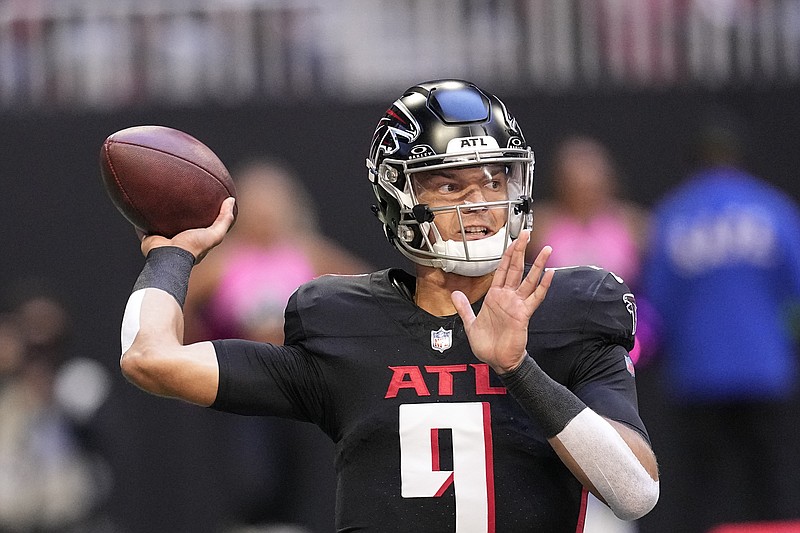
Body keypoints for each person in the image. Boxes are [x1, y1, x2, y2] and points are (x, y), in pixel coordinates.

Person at [118, 79, 659, 531]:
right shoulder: (346, 325)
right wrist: (171, 256)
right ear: (399, 197)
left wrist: (518, 369)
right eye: (450, 185)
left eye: (494, 179)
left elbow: (636, 493)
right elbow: (149, 357)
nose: (480, 203)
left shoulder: (572, 308)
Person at [183, 158, 369, 532]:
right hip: (241, 387)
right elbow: (179, 300)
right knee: (251, 479)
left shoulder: (308, 253)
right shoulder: (224, 261)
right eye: (258, 203)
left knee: (294, 481)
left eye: (274, 203)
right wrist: (195, 350)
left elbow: (367, 289)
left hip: (296, 386)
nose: (266, 213)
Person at [641, 114, 800, 532]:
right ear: (738, 158)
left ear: (695, 161)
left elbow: (656, 305)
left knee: (698, 489)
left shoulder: (674, 214)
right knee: (772, 484)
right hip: (765, 369)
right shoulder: (772, 207)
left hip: (698, 373)